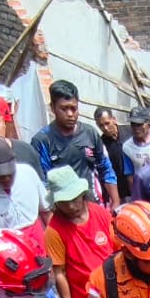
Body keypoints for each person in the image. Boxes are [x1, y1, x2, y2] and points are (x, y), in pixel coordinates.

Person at [44, 165, 114, 298]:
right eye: (64, 202)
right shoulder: (54, 231)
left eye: (74, 199)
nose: (71, 206)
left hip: (115, 293)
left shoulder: (100, 213)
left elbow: (117, 249)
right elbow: (59, 273)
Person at [32, 80, 120, 208]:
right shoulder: (42, 141)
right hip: (65, 211)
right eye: (64, 109)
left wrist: (115, 201)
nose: (70, 114)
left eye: (74, 108)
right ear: (52, 108)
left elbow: (105, 167)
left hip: (93, 206)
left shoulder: (90, 133)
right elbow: (43, 183)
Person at [0, 137, 49, 234]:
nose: (7, 179)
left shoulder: (27, 172)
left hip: (35, 233)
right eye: (0, 177)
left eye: (10, 174)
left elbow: (46, 211)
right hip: (3, 240)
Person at [93, 107, 129, 201]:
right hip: (120, 193)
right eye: (101, 125)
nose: (105, 128)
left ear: (114, 119)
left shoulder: (129, 132)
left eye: (107, 123)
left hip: (136, 187)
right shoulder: (101, 145)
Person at [121, 107, 150, 180]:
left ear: (148, 124)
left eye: (139, 124)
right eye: (133, 124)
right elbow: (129, 174)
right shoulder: (127, 147)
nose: (136, 128)